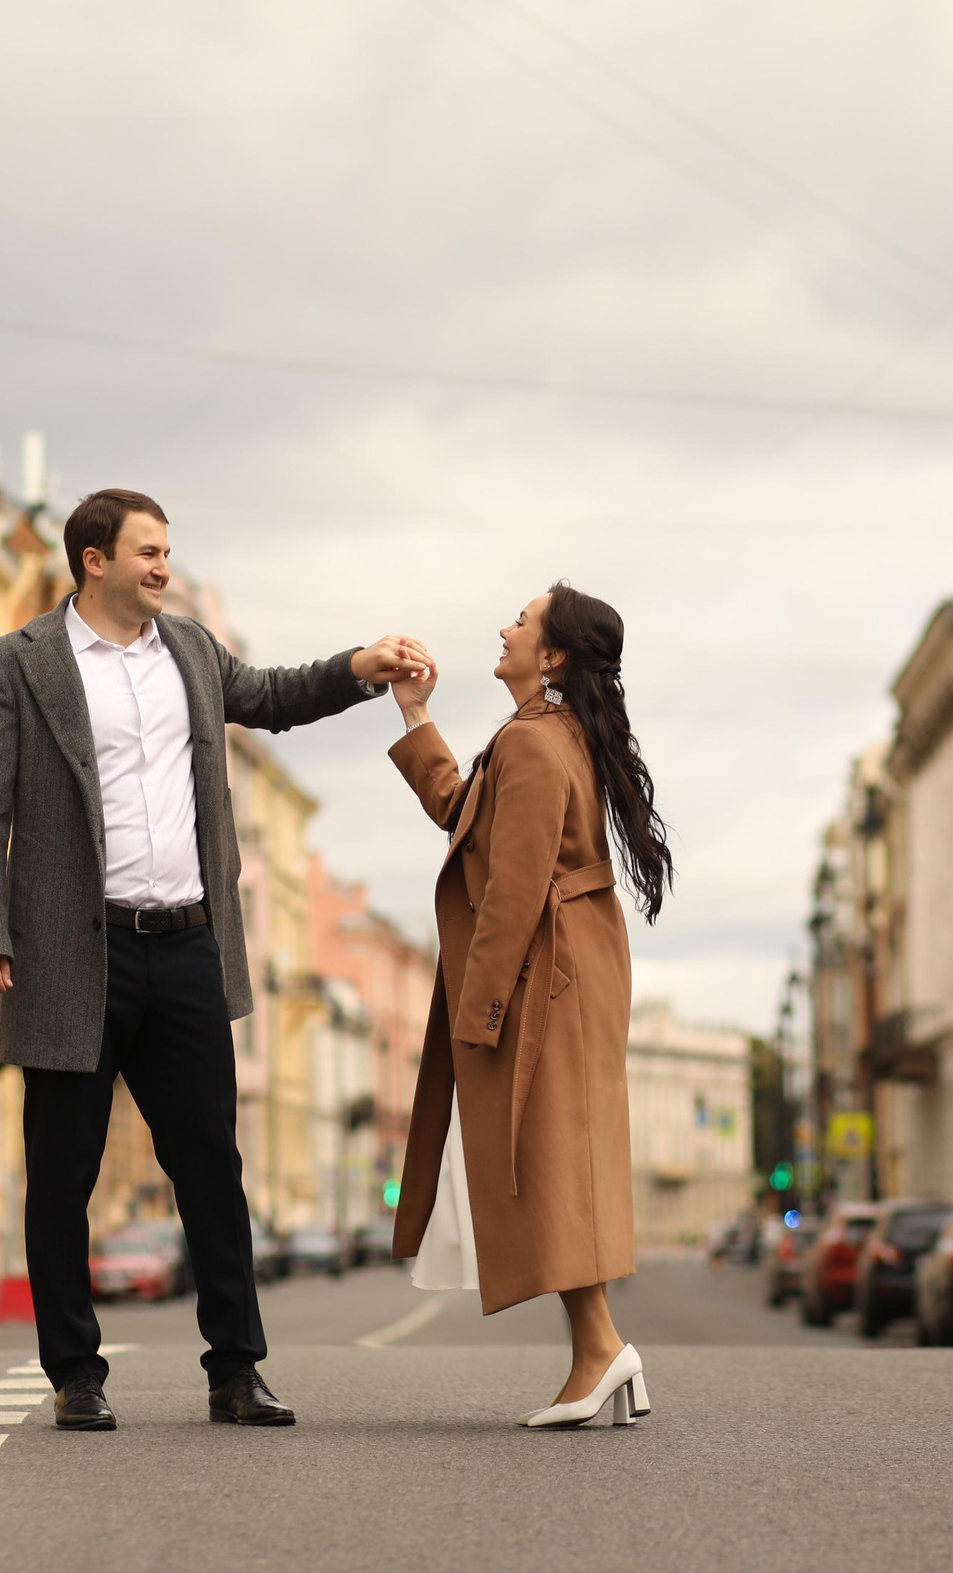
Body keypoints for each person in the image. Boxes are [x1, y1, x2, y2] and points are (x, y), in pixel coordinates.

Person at [0, 487, 429, 1432]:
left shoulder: (193, 655)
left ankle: (236, 1370)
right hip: (68, 955)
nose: (163, 567)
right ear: (94, 560)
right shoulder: (17, 664)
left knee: (210, 1165)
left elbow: (278, 697)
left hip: (185, 949)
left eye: (167, 552)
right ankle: (76, 1375)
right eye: (148, 552)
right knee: (64, 1173)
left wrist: (361, 668)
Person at [385, 582, 673, 1428]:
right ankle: (602, 1350)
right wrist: (414, 713)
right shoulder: (535, 737)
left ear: (550, 656)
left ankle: (600, 1353)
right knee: (556, 1164)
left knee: (551, 1163)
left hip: (549, 969)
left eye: (521, 618)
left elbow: (513, 889)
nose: (503, 626)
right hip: (564, 962)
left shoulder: (538, 745)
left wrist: (479, 1012)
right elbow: (460, 810)